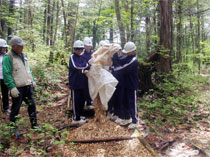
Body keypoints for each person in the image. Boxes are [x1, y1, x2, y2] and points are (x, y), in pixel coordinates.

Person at [3, 36, 40, 137]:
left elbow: (28, 70)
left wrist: (32, 80)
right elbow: (6, 74)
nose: (22, 47)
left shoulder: (23, 55)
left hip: (27, 86)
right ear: (14, 46)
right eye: (20, 45)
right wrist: (12, 87)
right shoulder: (8, 57)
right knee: (16, 108)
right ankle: (13, 128)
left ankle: (34, 125)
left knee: (32, 106)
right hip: (17, 87)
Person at [112, 42, 139, 129]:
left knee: (132, 103)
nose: (126, 53)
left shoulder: (133, 60)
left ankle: (135, 120)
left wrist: (114, 70)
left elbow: (122, 68)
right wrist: (115, 56)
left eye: (128, 52)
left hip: (132, 85)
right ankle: (127, 118)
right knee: (126, 102)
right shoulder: (128, 58)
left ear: (132, 51)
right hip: (126, 84)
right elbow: (120, 61)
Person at [69, 40, 90, 124]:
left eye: (81, 49)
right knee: (76, 101)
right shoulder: (72, 57)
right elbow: (76, 66)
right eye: (78, 49)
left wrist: (85, 67)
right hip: (75, 83)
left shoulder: (82, 57)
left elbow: (87, 65)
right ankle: (75, 118)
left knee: (82, 100)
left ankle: (79, 115)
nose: (80, 51)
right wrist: (84, 67)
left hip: (82, 82)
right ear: (75, 49)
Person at [82, 37, 94, 110]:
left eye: (89, 46)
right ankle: (87, 102)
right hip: (85, 73)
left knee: (91, 87)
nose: (88, 47)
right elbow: (82, 64)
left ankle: (90, 101)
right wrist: (88, 66)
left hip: (92, 73)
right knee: (85, 87)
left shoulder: (93, 53)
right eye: (87, 46)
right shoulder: (82, 54)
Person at [0, 39, 10, 113]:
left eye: (5, 48)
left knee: (5, 93)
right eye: (2, 47)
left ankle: (6, 108)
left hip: (4, 78)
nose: (4, 49)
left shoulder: (7, 56)